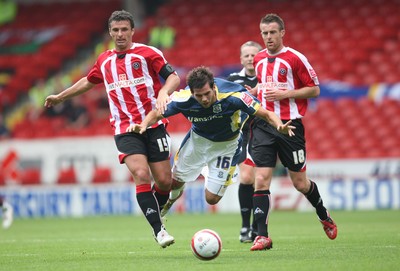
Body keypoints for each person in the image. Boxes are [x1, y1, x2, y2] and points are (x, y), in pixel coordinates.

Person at [44, 10, 180, 248]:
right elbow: (88, 80)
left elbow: (174, 78)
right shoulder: (104, 60)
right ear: (109, 32)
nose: (119, 34)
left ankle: (157, 212)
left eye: (124, 29)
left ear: (132, 31)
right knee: (140, 173)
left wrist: (163, 91)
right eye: (115, 30)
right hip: (125, 128)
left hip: (154, 123)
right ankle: (159, 230)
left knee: (165, 182)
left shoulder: (148, 53)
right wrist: (61, 97)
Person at [127, 66, 295, 219]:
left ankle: (207, 170)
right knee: (174, 183)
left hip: (226, 146)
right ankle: (169, 203)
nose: (204, 99)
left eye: (207, 93)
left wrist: (279, 125)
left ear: (214, 86)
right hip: (198, 142)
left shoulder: (234, 96)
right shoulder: (182, 98)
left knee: (212, 199)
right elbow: (156, 114)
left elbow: (266, 114)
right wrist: (142, 125)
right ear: (192, 93)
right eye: (199, 96)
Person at [248, 13, 337, 251]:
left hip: (290, 126)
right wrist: (254, 89)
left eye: (272, 33)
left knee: (300, 183)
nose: (268, 37)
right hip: (264, 124)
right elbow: (263, 84)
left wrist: (285, 94)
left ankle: (323, 214)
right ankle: (262, 236)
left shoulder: (295, 58)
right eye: (264, 33)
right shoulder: (258, 59)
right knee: (261, 179)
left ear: (282, 33)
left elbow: (315, 90)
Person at [227, 41, 262, 243]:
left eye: (253, 55)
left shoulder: (267, 77)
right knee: (247, 177)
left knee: (260, 180)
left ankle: (258, 227)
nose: (250, 58)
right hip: (243, 133)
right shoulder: (233, 80)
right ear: (241, 59)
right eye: (246, 55)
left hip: (264, 132)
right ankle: (245, 226)